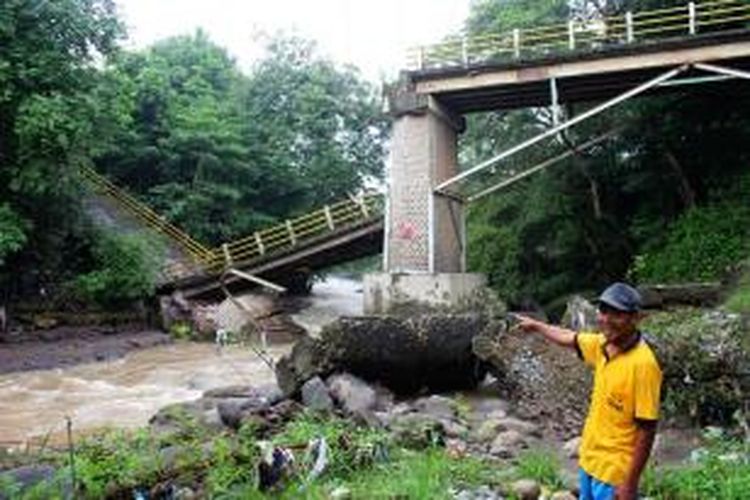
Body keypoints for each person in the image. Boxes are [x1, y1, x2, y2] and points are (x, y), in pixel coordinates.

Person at [515, 282, 662, 500]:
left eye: (617, 314)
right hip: (590, 462)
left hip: (615, 473)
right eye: (603, 312)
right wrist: (537, 326)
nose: (607, 320)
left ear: (635, 318)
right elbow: (569, 337)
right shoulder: (602, 346)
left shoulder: (644, 365)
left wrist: (630, 482)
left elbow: (647, 429)